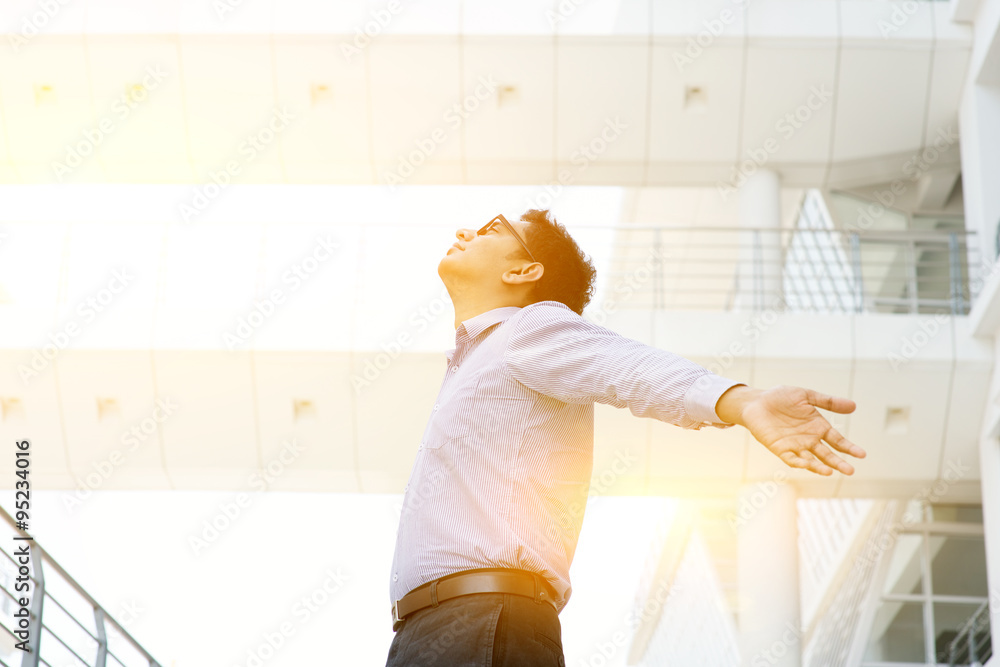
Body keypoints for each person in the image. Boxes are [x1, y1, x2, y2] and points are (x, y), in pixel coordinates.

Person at [384, 209, 866, 666]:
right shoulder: (474, 359)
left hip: (483, 623)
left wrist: (739, 400)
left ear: (524, 272)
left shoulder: (527, 329)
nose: (468, 232)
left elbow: (628, 368)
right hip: (433, 630)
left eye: (492, 228)